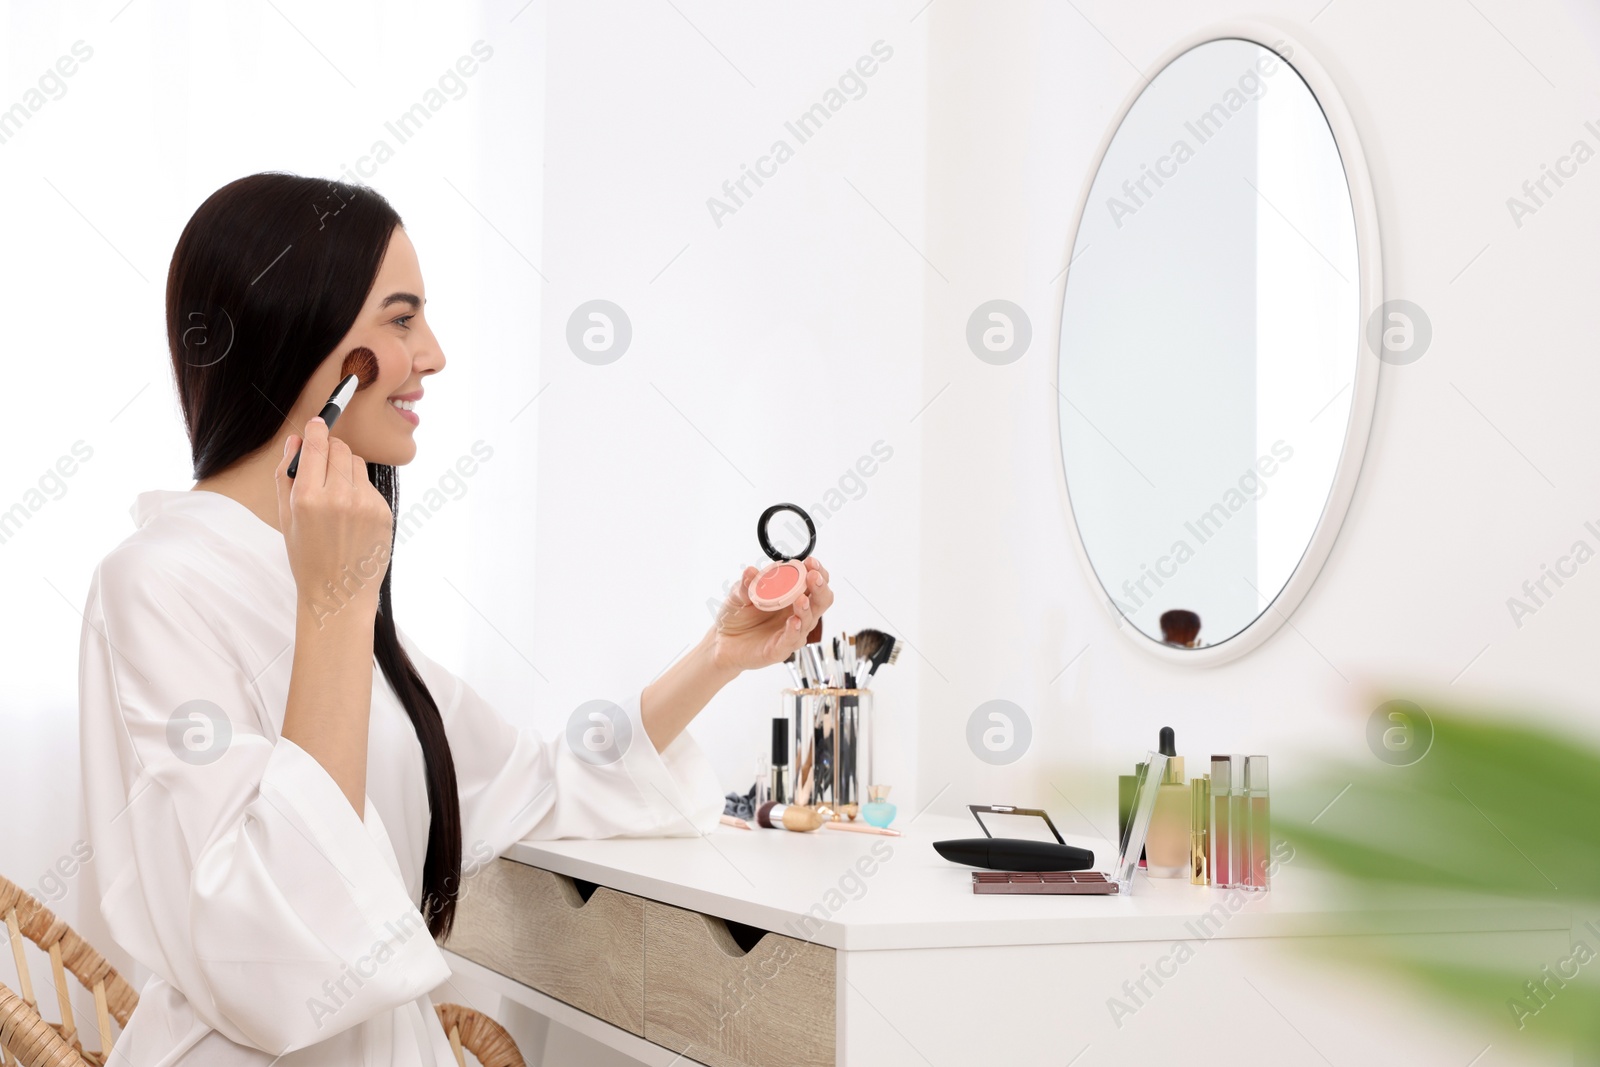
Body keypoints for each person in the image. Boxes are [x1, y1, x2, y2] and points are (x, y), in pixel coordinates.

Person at [76, 172, 833, 1065]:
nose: (432, 355)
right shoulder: (158, 586)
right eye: (401, 320)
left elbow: (539, 785)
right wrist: (335, 604)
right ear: (299, 334)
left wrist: (721, 653)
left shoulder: (328, 585)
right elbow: (269, 942)